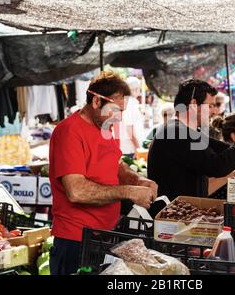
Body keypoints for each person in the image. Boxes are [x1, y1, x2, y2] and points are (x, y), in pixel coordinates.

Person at [48, 71, 157, 275]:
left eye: (122, 111)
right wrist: (129, 192)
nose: (119, 117)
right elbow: (77, 191)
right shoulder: (69, 131)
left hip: (105, 233)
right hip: (75, 239)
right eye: (115, 109)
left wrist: (138, 180)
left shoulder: (106, 127)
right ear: (97, 101)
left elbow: (116, 165)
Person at [119, 76, 144, 159]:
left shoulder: (130, 102)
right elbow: (129, 128)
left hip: (129, 148)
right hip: (129, 150)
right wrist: (137, 147)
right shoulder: (130, 103)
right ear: (134, 89)